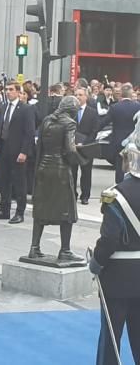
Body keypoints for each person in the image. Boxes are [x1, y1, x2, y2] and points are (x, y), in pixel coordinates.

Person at [89, 117, 140, 365]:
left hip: (118, 277)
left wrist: (95, 263)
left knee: (111, 338)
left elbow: (109, 239)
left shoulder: (117, 195)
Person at [26, 96, 86, 262]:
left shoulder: (47, 120)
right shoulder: (69, 123)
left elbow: (40, 147)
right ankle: (65, 250)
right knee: (67, 210)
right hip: (60, 171)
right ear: (72, 110)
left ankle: (34, 247)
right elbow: (69, 149)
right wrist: (82, 157)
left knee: (41, 209)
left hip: (44, 168)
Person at [0, 82, 36, 224]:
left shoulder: (26, 109)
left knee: (19, 183)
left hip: (18, 151)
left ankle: (19, 212)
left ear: (18, 92)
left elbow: (29, 132)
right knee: (4, 181)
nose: (8, 92)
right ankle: (4, 209)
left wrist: (24, 152)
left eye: (11, 90)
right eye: (6, 90)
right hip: (3, 149)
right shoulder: (3, 107)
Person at [72, 87, 100, 205]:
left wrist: (84, 143)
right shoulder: (71, 111)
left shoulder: (92, 112)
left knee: (86, 172)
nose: (78, 97)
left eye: (80, 95)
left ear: (86, 97)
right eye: (76, 95)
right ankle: (72, 194)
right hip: (72, 146)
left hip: (86, 147)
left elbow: (95, 130)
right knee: (72, 172)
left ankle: (85, 196)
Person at [108, 84, 140, 184]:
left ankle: (119, 186)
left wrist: (94, 132)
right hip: (135, 142)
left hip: (119, 141)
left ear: (121, 94)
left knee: (119, 167)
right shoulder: (138, 107)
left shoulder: (114, 107)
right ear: (131, 95)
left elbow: (104, 121)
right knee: (134, 167)